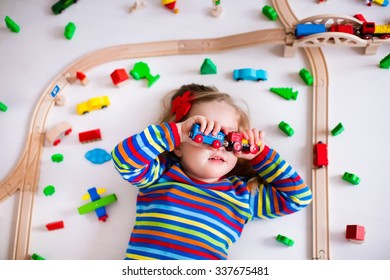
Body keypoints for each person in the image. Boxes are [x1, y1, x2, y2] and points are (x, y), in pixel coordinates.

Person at [111, 83, 312, 260]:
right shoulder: (160, 175)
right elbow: (123, 160)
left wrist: (261, 155)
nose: (220, 145)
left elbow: (299, 198)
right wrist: (179, 132)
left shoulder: (243, 195)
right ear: (179, 146)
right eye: (206, 134)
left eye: (231, 138)